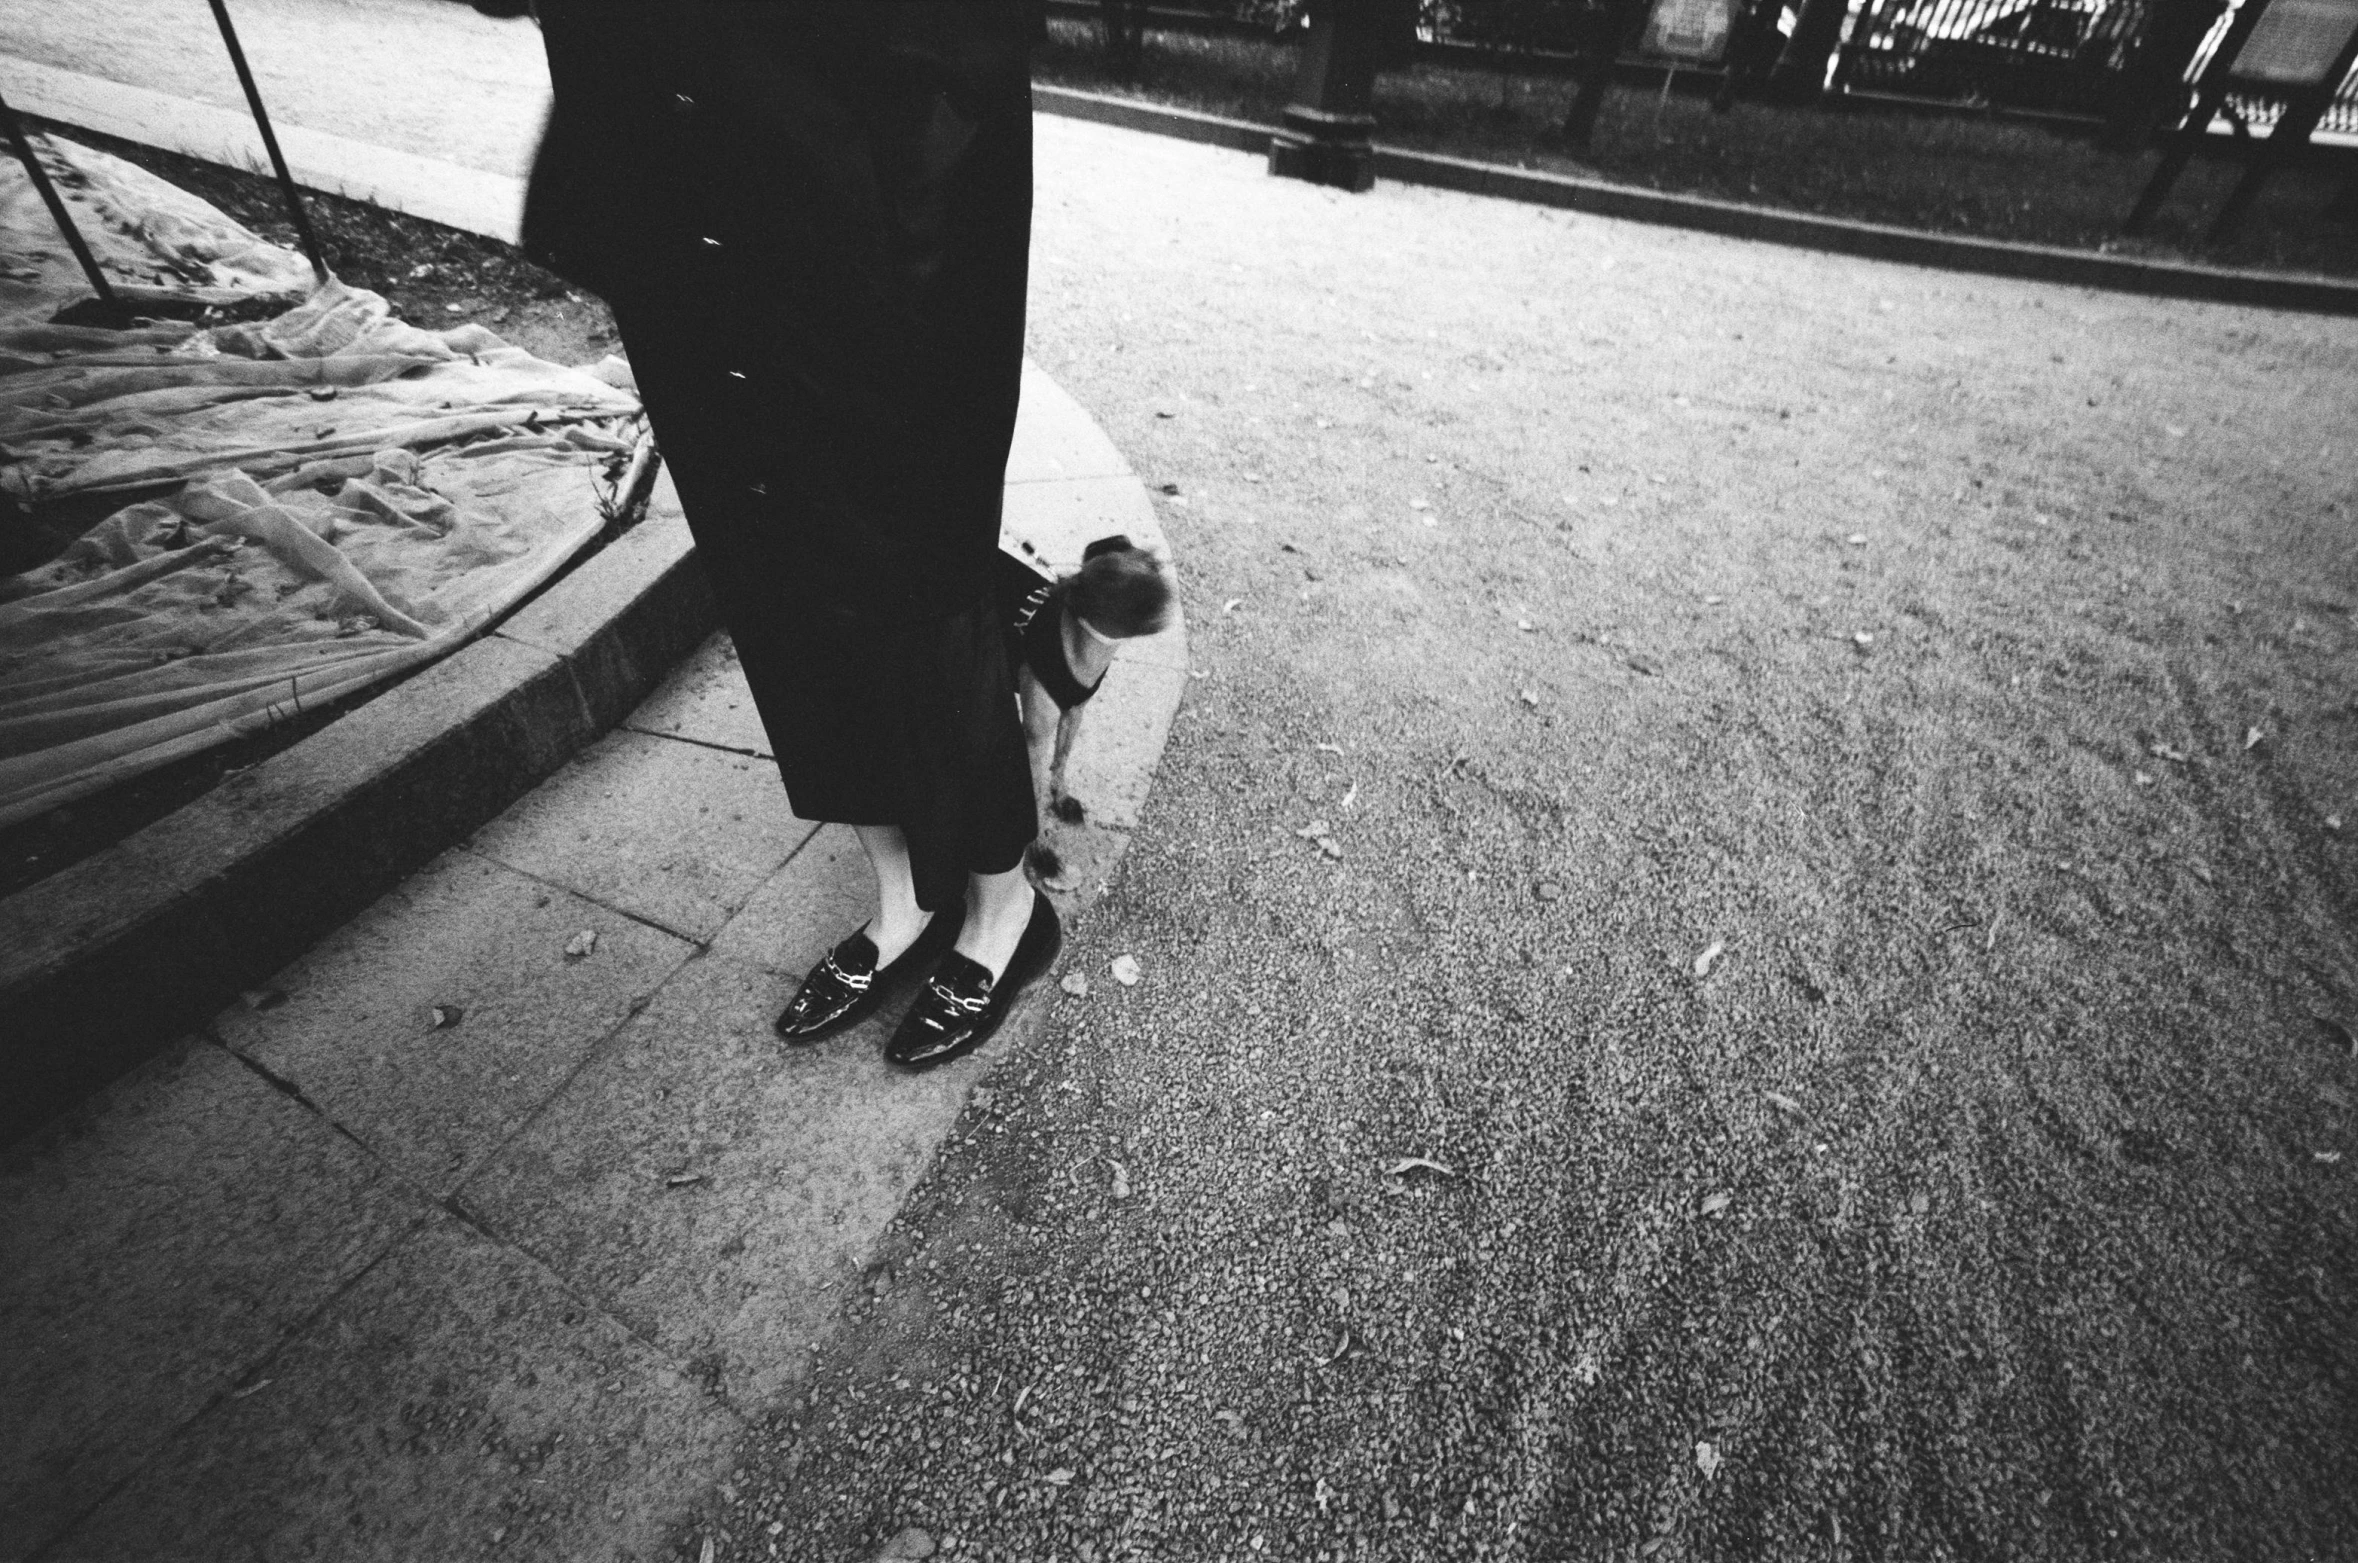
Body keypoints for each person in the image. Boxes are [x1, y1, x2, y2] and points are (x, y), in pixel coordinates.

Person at [497, 1, 1057, 1069]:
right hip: (667, 202)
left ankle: (1001, 904)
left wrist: (904, 205)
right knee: (769, 562)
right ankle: (899, 893)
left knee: (914, 561)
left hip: (865, 215)